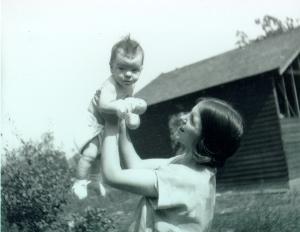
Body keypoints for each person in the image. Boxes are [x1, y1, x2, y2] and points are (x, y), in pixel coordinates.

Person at [101, 98, 244, 232]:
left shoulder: (185, 177)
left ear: (206, 142)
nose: (183, 118)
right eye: (189, 112)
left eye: (192, 120)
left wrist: (110, 123)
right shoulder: (189, 165)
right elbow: (136, 165)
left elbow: (112, 176)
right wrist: (121, 123)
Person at [72, 36, 147, 199]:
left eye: (134, 70)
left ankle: (94, 181)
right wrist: (118, 106)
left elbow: (126, 103)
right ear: (111, 67)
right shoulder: (110, 85)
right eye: (121, 68)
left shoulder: (129, 85)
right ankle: (79, 181)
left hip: (105, 123)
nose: (128, 75)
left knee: (101, 156)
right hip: (93, 122)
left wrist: (129, 111)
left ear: (141, 69)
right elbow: (104, 105)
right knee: (91, 153)